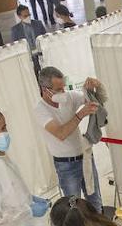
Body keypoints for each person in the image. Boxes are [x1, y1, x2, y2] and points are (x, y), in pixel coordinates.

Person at [34, 66, 102, 211]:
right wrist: (80, 115)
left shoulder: (69, 97)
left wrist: (92, 88)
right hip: (66, 166)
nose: (63, 92)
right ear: (45, 89)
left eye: (63, 87)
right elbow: (60, 133)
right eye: (58, 89)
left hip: (85, 158)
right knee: (73, 208)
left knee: (95, 202)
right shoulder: (40, 110)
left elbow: (89, 97)